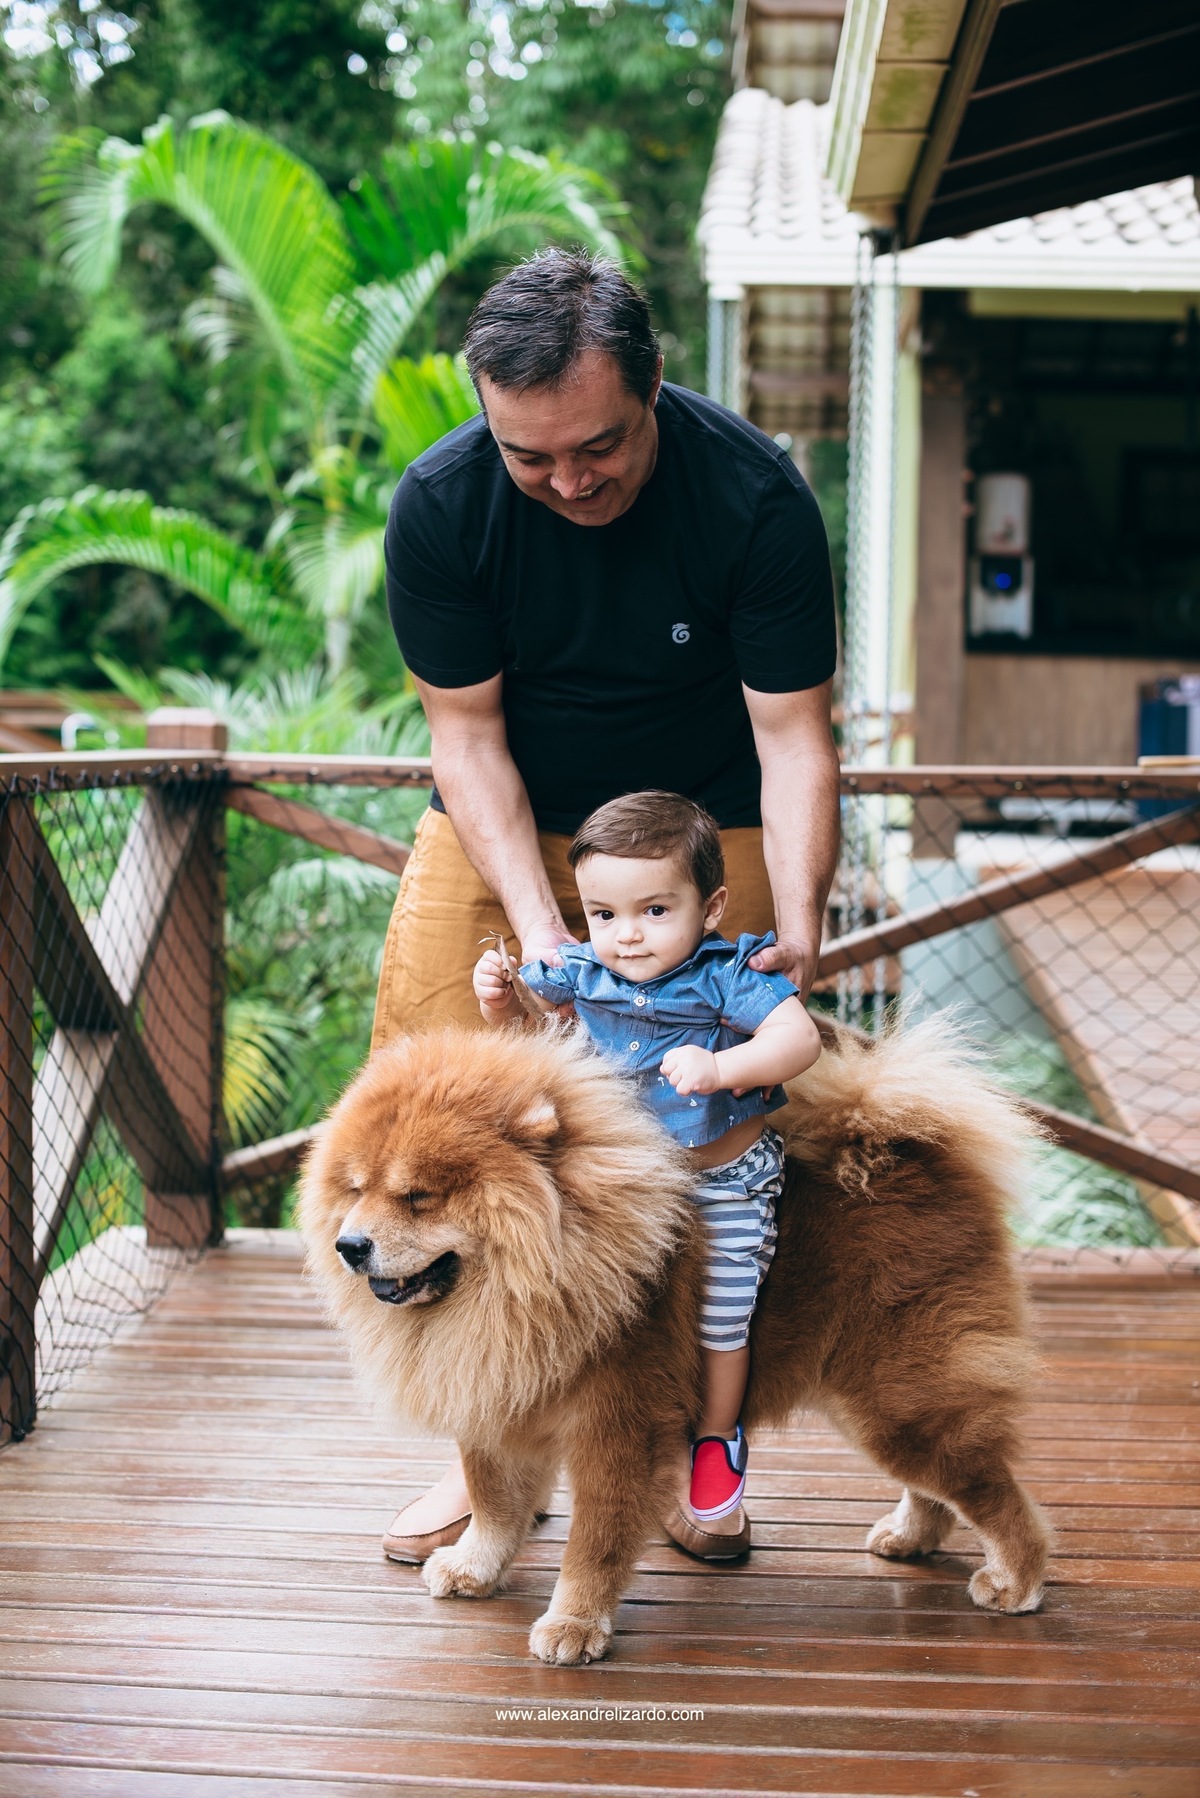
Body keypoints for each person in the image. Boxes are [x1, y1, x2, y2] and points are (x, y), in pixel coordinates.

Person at [376, 246, 840, 1562]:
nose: (569, 480)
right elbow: (466, 739)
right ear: (488, 419)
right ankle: (490, 1470)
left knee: (724, 1149)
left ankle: (687, 1459)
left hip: (705, 823)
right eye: (533, 458)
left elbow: (796, 733)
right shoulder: (442, 506)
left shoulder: (751, 497)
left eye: (599, 447)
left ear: (651, 390)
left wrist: (797, 922)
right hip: (509, 818)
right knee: (440, 1141)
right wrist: (537, 927)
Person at [474, 792, 822, 1519]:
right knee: (611, 1315)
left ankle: (716, 1436)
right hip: (630, 1189)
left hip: (722, 1180)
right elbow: (535, 1021)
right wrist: (501, 1000)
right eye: (604, 915)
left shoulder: (725, 975)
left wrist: (724, 1069)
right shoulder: (581, 971)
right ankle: (578, 1431)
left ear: (712, 906)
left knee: (723, 1316)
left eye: (655, 912)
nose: (627, 937)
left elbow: (800, 1040)